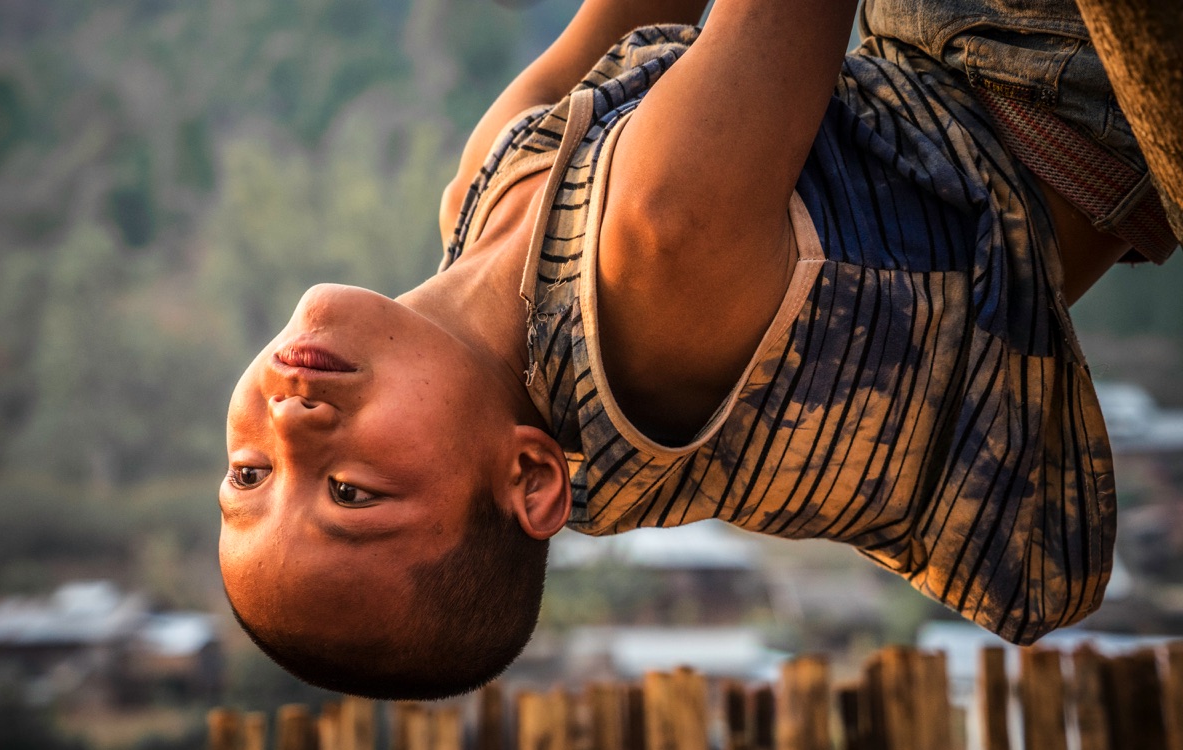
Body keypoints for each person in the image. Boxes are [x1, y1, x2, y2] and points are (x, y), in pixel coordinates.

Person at [218, 0, 1178, 700]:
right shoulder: (653, 276)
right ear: (529, 478)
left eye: (251, 474)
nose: (296, 432)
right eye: (351, 494)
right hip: (1053, 65)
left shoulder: (481, 198)